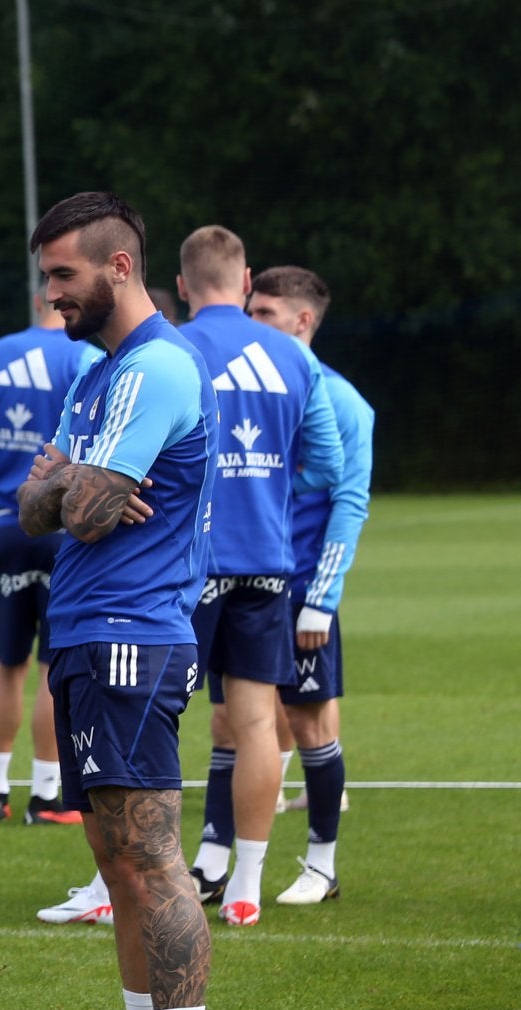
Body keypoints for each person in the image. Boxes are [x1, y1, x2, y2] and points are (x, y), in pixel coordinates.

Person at [18, 191, 217, 1010]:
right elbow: (32, 509)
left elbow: (85, 511)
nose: (53, 294)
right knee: (113, 858)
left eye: (65, 275)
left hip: (135, 633)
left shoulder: (156, 371)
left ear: (120, 267)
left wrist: (71, 487)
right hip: (89, 630)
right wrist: (70, 484)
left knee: (151, 857)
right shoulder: (96, 379)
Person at [177, 227, 342, 926]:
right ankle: (245, 884)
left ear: (183, 285)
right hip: (269, 567)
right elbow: (328, 466)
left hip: (192, 564)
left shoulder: (170, 347)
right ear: (246, 283)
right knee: (253, 725)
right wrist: (271, 486)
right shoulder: (293, 357)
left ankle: (121, 878)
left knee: (154, 720)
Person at [0, 295, 100, 829]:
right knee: (55, 664)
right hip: (61, 529)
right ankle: (47, 796)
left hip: (8, 523)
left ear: (35, 301)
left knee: (8, 662)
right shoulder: (87, 357)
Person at [247, 265, 374, 903]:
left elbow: (349, 503)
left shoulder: (346, 403)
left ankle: (320, 866)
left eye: (265, 314)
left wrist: (321, 599)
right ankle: (225, 865)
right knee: (228, 723)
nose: (251, 323)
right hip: (243, 581)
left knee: (308, 722)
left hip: (299, 587)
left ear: (302, 322)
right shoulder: (246, 389)